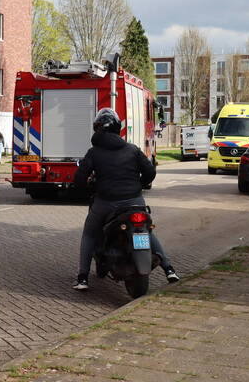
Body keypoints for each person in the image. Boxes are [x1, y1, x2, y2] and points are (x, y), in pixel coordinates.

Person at [73, 108, 178, 291]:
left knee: (89, 233)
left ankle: (83, 277)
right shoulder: (132, 149)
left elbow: (80, 178)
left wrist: (86, 188)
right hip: (135, 202)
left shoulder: (94, 152)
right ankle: (169, 269)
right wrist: (139, 185)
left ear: (97, 129)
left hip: (106, 202)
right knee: (146, 231)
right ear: (117, 128)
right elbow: (150, 171)